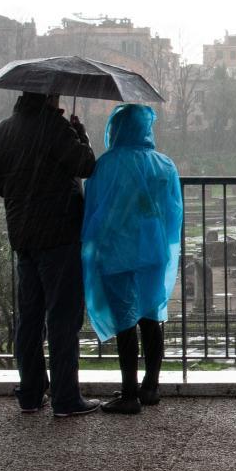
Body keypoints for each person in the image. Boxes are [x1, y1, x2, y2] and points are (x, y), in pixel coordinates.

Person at [0, 92, 100, 418]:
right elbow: (86, 165)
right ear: (50, 96)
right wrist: (80, 134)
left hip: (23, 236)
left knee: (30, 317)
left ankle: (31, 393)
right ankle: (66, 398)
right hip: (60, 236)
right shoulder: (55, 127)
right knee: (63, 318)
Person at [81, 104, 184, 415]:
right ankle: (150, 387)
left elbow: (94, 209)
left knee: (126, 320)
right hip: (153, 249)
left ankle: (128, 394)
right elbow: (173, 212)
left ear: (117, 128)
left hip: (118, 250)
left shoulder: (107, 165)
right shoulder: (164, 165)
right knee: (152, 316)